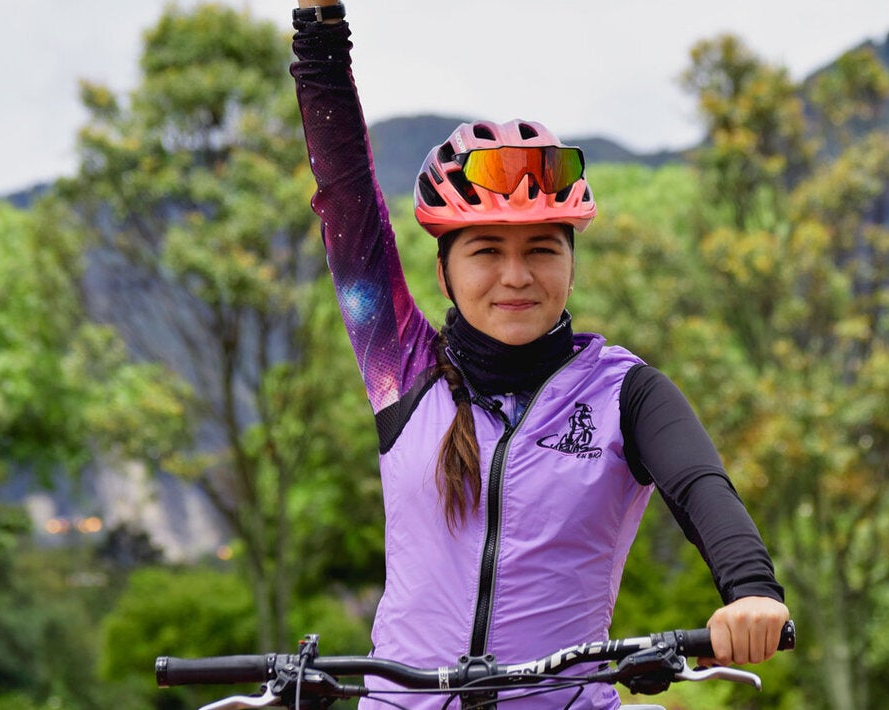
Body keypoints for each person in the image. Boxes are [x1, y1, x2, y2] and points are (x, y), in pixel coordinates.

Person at [289, 2, 790, 707]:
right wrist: (319, 33)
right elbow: (346, 201)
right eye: (487, 251)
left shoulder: (627, 394)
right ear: (443, 274)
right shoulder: (401, 369)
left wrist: (751, 593)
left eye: (542, 250)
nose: (516, 277)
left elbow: (702, 487)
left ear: (571, 263)